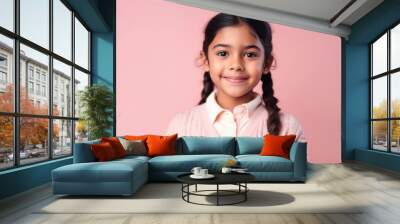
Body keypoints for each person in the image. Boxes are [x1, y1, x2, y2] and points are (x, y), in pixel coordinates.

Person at [166, 13, 305, 142]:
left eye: (250, 54)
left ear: (267, 63)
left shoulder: (287, 129)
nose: (236, 65)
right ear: (205, 60)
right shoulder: (181, 125)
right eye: (222, 53)